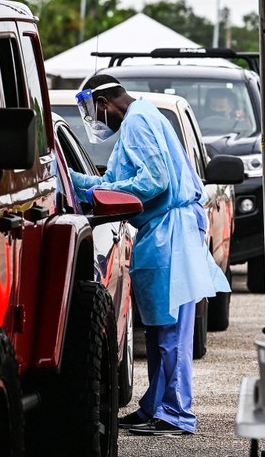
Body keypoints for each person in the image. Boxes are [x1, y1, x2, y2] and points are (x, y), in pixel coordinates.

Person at [69, 74, 231, 437]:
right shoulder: (143, 118)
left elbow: (152, 181)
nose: (95, 120)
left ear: (106, 102)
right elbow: (117, 180)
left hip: (171, 233)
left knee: (171, 332)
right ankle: (155, 406)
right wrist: (80, 182)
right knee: (161, 331)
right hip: (165, 232)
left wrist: (97, 192)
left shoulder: (138, 120)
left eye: (94, 111)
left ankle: (176, 414)